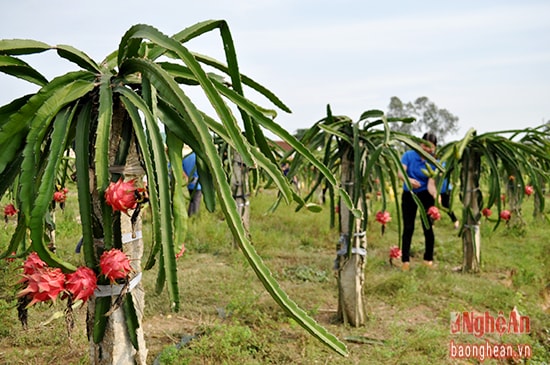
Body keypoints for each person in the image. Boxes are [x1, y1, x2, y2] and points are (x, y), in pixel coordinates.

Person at [398, 132, 438, 271]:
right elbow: (400, 173)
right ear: (419, 144)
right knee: (408, 227)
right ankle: (405, 261)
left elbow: (431, 182)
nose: (427, 149)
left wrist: (434, 194)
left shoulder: (434, 161)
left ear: (434, 148)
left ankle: (428, 259)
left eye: (430, 147)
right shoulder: (408, 155)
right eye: (424, 145)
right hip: (409, 193)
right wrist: (408, 180)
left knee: (427, 226)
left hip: (425, 195)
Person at [182, 152, 202, 217]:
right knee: (196, 201)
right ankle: (194, 217)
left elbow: (182, 168)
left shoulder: (186, 157)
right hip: (197, 184)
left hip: (189, 183)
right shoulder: (199, 157)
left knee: (192, 200)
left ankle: (190, 214)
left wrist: (186, 177)